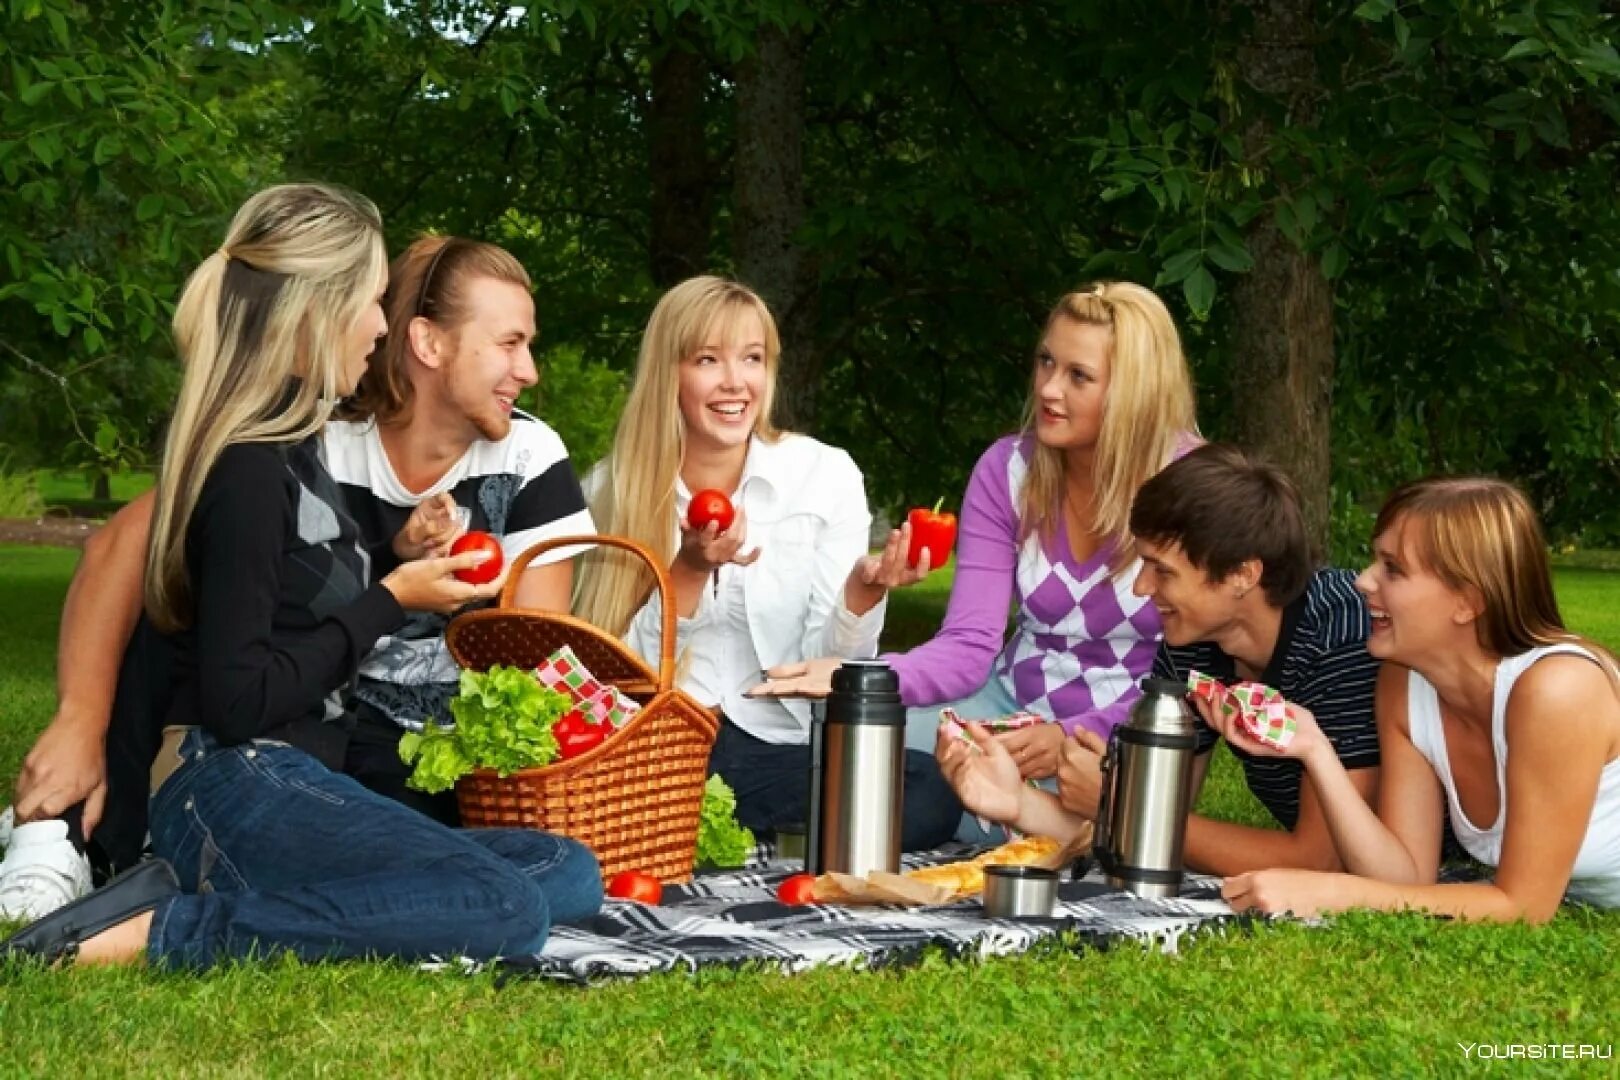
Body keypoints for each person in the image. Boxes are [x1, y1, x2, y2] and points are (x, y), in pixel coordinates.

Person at [1, 184, 601, 968]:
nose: (381, 325)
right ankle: (159, 932)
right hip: (235, 773)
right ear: (318, 310)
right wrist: (390, 599)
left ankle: (214, 890)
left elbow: (287, 601)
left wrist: (394, 561)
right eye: (371, 301)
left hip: (293, 776)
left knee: (565, 870)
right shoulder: (253, 465)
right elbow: (238, 701)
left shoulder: (295, 444)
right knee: (504, 906)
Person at [755, 282, 1198, 841]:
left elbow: (1193, 678)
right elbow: (968, 646)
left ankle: (1015, 821)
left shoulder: (1192, 487)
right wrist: (863, 681)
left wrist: (1068, 734)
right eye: (1045, 362)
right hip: (1004, 706)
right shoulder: (1006, 470)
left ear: (1135, 390)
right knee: (857, 749)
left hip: (1124, 734)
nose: (1049, 389)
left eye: (1078, 376)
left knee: (946, 801)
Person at [572, 275, 961, 849]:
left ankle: (685, 826)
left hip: (779, 746)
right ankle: (719, 824)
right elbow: (618, 676)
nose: (736, 382)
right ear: (669, 374)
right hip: (661, 745)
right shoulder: (612, 488)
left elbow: (828, 671)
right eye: (708, 359)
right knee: (862, 806)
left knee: (929, 790)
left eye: (751, 358)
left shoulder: (824, 475)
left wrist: (863, 592)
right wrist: (691, 569)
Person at [938, 443, 1383, 874]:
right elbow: (1162, 817)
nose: (1142, 589)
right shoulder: (1194, 639)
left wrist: (1123, 804)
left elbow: (1319, 859)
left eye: (1163, 570)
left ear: (1242, 575)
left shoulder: (1340, 636)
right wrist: (1018, 801)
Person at [1221, 478, 1620, 922]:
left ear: (1467, 601)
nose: (1363, 581)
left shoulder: (1559, 690)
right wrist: (1315, 749)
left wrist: (1332, 891)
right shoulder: (1405, 682)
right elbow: (1407, 877)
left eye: (1393, 568)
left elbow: (1523, 907)